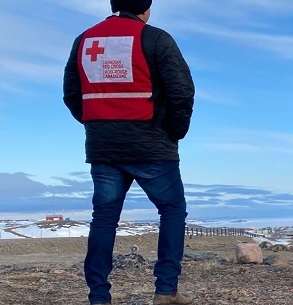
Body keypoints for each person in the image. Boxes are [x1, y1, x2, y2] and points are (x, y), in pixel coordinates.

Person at [63, 0, 195, 304]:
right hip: (152, 146)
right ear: (146, 9)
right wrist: (175, 131)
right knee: (172, 210)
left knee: (105, 218)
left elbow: (72, 93)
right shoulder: (156, 38)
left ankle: (98, 296)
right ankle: (165, 290)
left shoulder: (85, 40)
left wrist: (98, 124)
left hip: (104, 147)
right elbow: (181, 89)